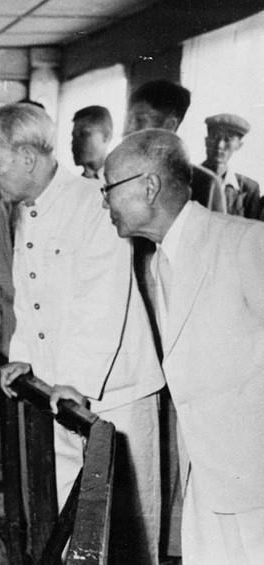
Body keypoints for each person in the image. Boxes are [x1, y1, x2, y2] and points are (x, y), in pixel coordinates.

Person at [0, 103, 165, 563]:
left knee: (127, 535)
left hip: (113, 394)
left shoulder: (94, 202)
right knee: (72, 527)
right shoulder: (26, 209)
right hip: (60, 394)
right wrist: (22, 358)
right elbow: (29, 297)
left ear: (27, 158)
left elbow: (100, 301)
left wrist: (72, 379)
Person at [102, 129, 264, 564]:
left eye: (109, 188)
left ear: (149, 187)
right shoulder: (158, 261)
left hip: (254, 480)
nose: (104, 203)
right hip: (206, 476)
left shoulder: (245, 242)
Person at [124, 79, 224, 213]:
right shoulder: (121, 174)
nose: (130, 129)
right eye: (129, 120)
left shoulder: (204, 184)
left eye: (140, 120)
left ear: (169, 126)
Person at [201, 113, 261, 219]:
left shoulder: (248, 189)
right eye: (215, 137)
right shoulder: (187, 178)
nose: (220, 145)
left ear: (239, 145)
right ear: (206, 141)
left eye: (228, 139)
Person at [71, 105, 112, 179]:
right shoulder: (75, 183)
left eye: (83, 134)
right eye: (74, 136)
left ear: (106, 136)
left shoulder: (122, 177)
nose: (74, 142)